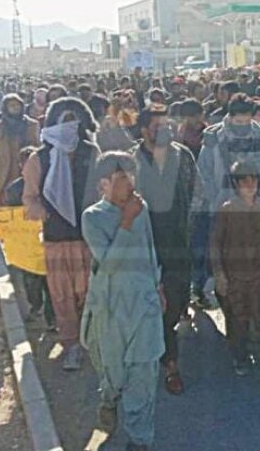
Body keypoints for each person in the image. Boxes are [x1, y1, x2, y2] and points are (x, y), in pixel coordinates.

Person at [80, 151, 164, 451]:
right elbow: (110, 263)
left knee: (143, 371)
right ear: (104, 185)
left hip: (144, 304)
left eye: (132, 177)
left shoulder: (140, 208)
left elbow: (150, 249)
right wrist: (126, 221)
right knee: (114, 373)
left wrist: (158, 285)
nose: (129, 184)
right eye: (121, 179)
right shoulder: (93, 217)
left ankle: (140, 440)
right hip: (111, 308)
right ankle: (109, 399)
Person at [22, 97, 100, 371]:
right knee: (62, 296)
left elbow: (102, 190)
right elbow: (29, 198)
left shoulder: (91, 152)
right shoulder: (39, 158)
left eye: (73, 120)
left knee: (89, 293)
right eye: (63, 120)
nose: (68, 126)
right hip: (56, 240)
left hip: (87, 238)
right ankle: (72, 345)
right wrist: (43, 211)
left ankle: (92, 341)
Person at [132, 106, 200, 396]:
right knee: (157, 308)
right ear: (145, 130)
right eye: (158, 126)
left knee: (176, 299)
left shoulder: (182, 156)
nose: (165, 132)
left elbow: (197, 190)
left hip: (179, 244)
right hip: (144, 247)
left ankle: (165, 339)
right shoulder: (130, 161)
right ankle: (170, 363)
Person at [211, 161, 260, 390]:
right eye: (244, 180)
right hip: (235, 275)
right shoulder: (226, 210)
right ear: (235, 184)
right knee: (238, 320)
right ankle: (240, 355)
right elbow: (215, 244)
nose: (250, 185)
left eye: (254, 180)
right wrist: (219, 275)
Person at [196, 94, 260, 305]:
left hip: (255, 207)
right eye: (238, 122)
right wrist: (215, 200)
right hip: (224, 207)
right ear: (229, 117)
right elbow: (204, 172)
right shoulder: (214, 138)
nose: (243, 126)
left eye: (246, 121)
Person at [3, 146, 55, 329]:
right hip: (26, 244)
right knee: (31, 279)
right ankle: (36, 306)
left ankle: (51, 319)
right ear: (21, 167)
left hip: (47, 240)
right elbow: (10, 218)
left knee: (50, 282)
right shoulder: (13, 190)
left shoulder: (48, 185)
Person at [0, 93, 40, 202]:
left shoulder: (33, 125)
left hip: (29, 175)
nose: (15, 108)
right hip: (6, 177)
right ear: (5, 108)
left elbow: (40, 150)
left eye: (17, 105)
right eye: (11, 105)